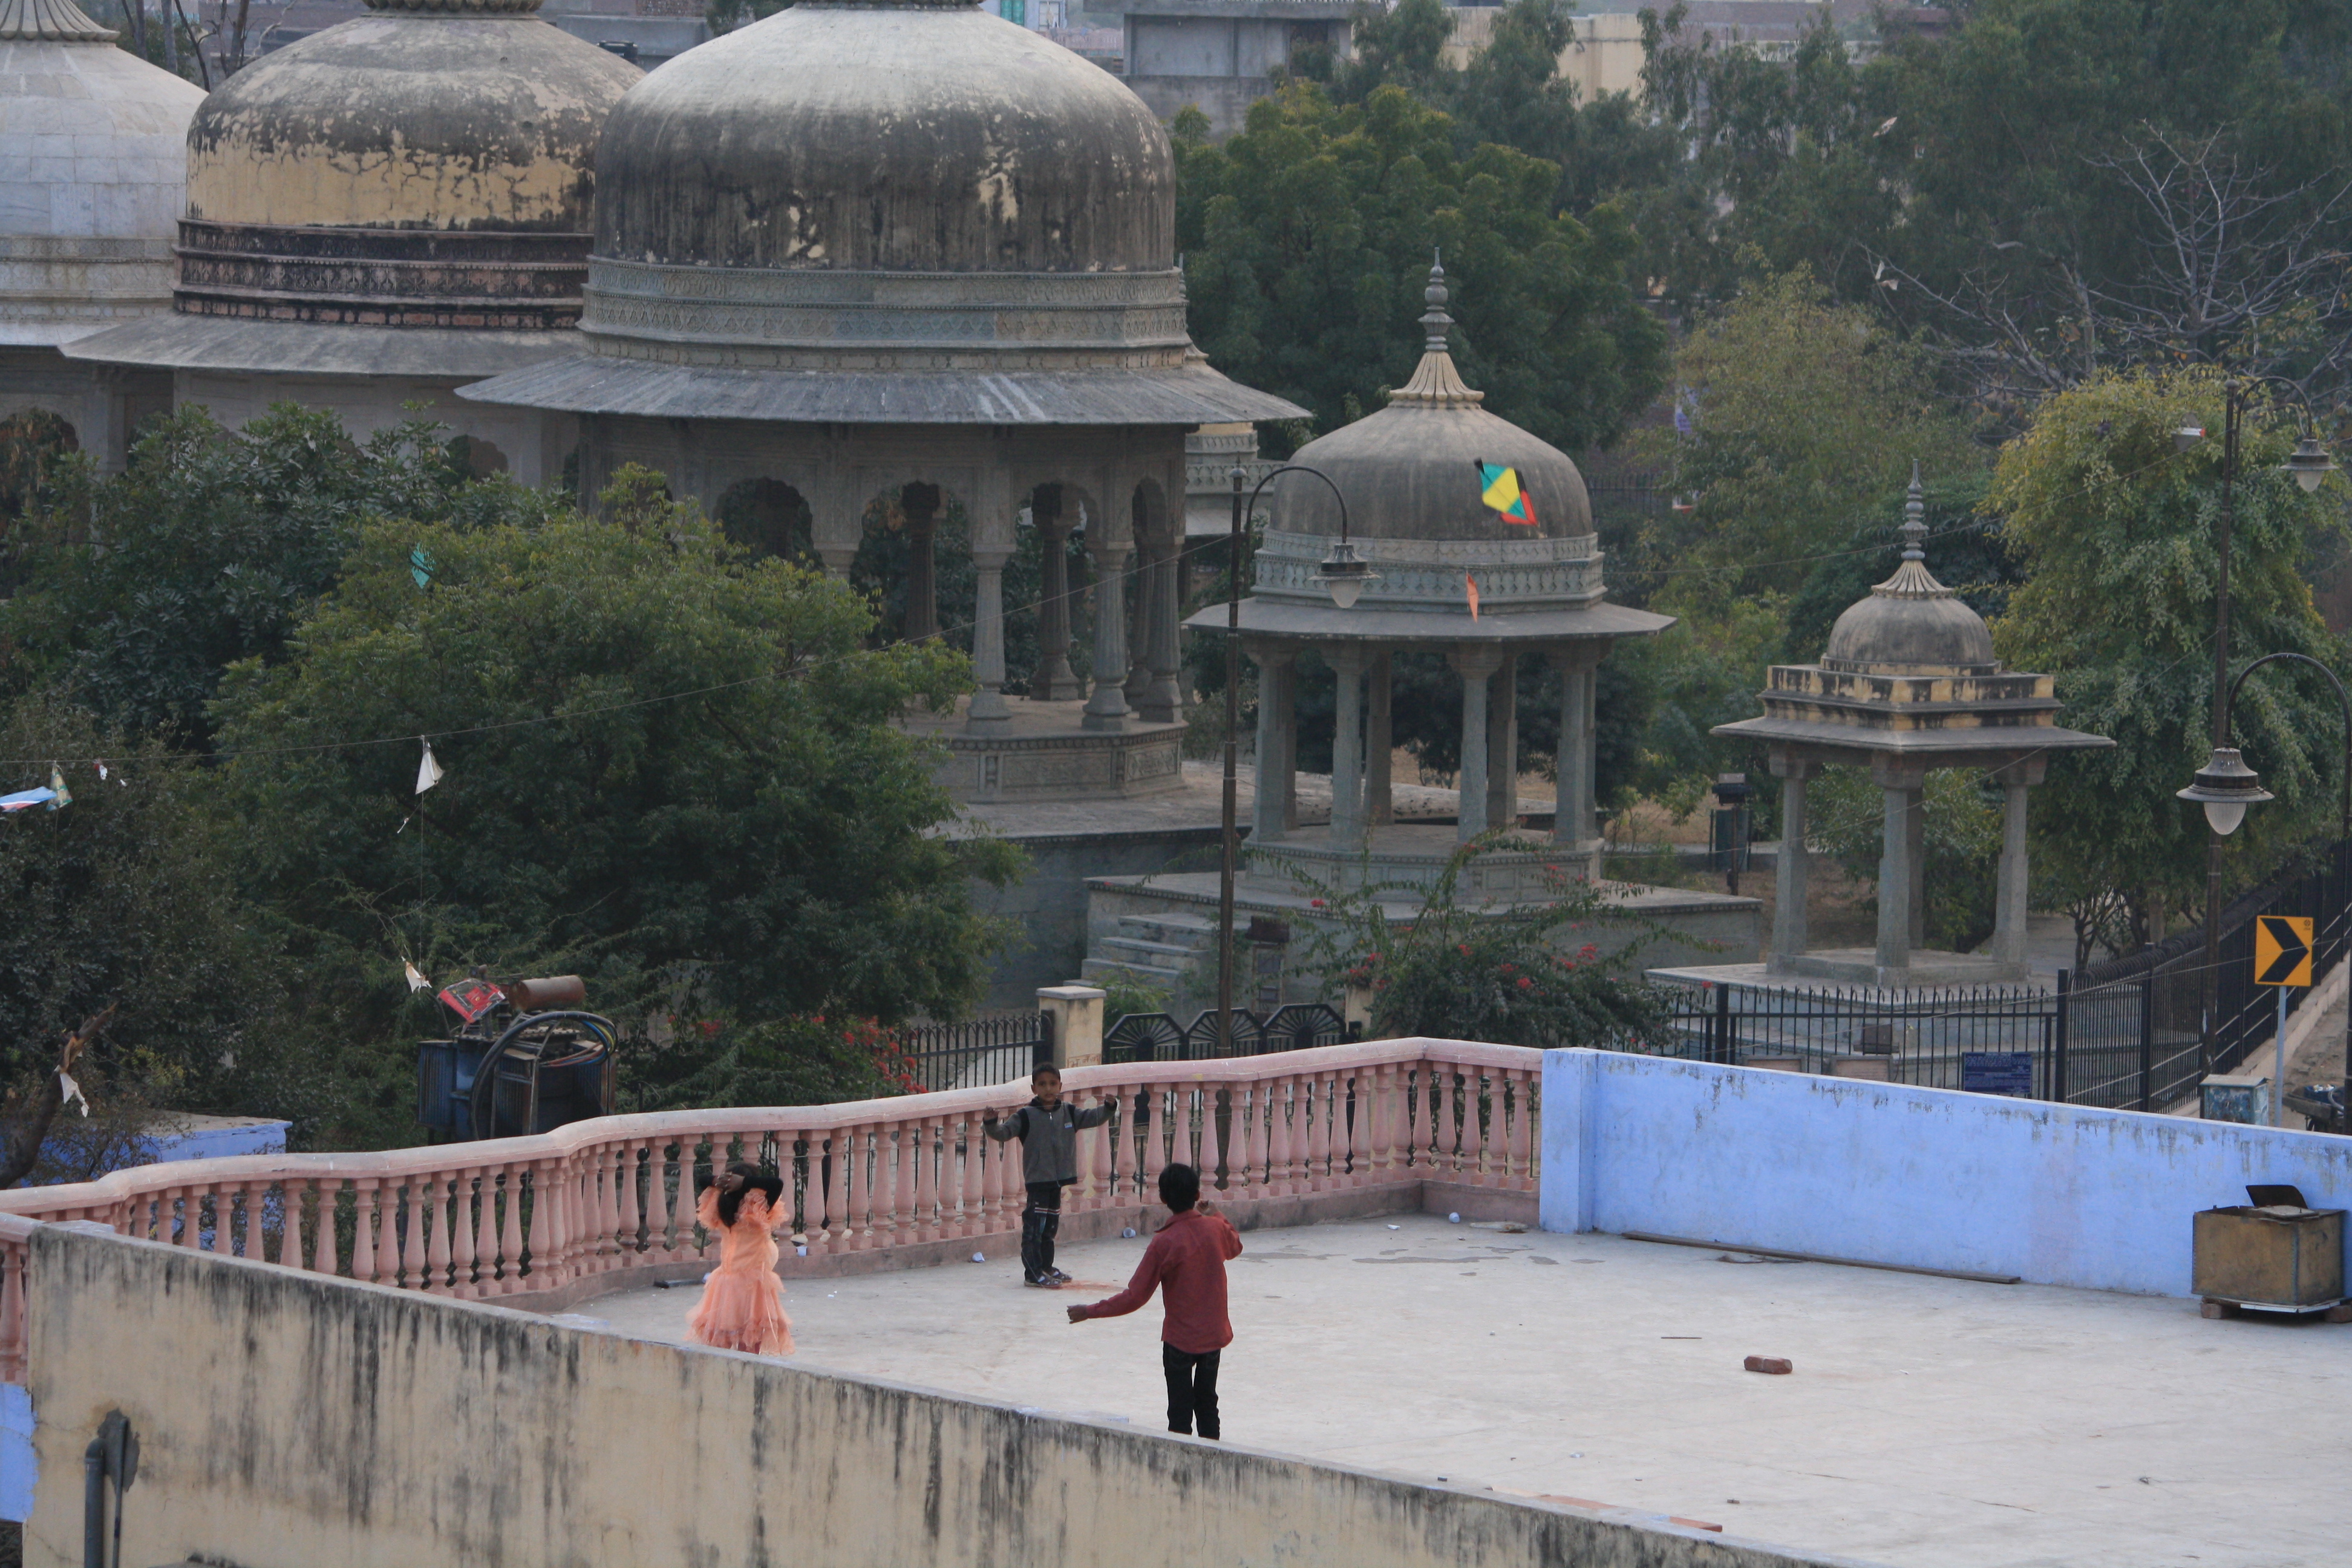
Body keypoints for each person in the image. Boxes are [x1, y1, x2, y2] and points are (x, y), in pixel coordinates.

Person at [1066, 1161, 1243, 1440]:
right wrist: (1216, 1214)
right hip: (1213, 1336)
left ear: (1163, 1199)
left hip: (1180, 1340)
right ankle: (1214, 1456)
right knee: (1208, 1402)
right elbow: (1235, 1247)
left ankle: (1180, 1459)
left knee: (1180, 1411)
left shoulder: (1164, 1242)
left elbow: (1135, 1297)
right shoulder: (1215, 1228)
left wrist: (1090, 1311)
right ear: (1197, 1195)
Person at [982, 1065, 1115, 1287]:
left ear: (1060, 1086)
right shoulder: (1025, 1116)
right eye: (1042, 1084)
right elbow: (1003, 1133)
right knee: (1034, 1228)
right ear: (1034, 1088)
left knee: (1050, 1227)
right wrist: (990, 1123)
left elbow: (1093, 1117)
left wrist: (1109, 1108)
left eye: (1053, 1084)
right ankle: (1033, 1274)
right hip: (1038, 1181)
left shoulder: (1069, 1112)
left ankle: (1046, 1267)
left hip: (1058, 1180)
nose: (1048, 1089)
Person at [687, 1161, 795, 1356]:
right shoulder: (756, 1206)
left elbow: (702, 1180)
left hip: (728, 1277)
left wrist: (719, 1181)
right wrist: (744, 1182)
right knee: (751, 1334)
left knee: (725, 1333)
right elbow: (776, 1183)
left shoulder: (721, 1203)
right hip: (752, 1279)